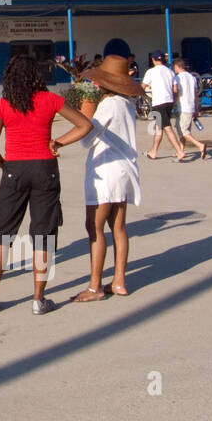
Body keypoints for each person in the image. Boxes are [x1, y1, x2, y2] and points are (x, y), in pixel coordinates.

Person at [0, 54, 93, 315]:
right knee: (44, 233)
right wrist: (58, 142)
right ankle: (39, 300)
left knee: (2, 233)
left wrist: (6, 167)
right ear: (36, 76)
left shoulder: (3, 105)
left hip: (14, 169)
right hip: (45, 168)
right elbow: (85, 124)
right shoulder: (51, 100)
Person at [70, 55, 144, 302]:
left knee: (95, 227)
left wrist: (84, 114)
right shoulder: (127, 104)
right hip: (125, 170)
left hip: (106, 169)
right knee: (119, 227)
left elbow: (87, 138)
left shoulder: (108, 105)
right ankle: (119, 280)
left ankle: (94, 286)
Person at [142, 51, 185, 160]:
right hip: (169, 101)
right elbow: (175, 89)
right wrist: (174, 101)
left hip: (158, 102)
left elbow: (142, 86)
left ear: (153, 60)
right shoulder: (170, 72)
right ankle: (153, 151)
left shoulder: (151, 72)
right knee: (158, 128)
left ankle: (179, 151)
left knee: (167, 127)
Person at [172, 57, 207, 160]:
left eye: (174, 67)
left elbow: (176, 92)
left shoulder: (177, 78)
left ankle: (200, 145)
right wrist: (196, 109)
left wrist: (173, 103)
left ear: (177, 66)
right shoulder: (192, 77)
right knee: (183, 130)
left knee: (183, 131)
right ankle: (181, 150)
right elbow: (195, 94)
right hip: (191, 106)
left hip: (183, 107)